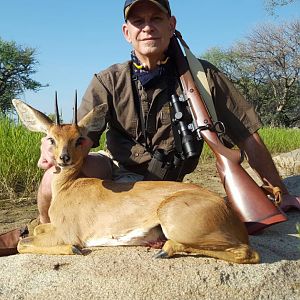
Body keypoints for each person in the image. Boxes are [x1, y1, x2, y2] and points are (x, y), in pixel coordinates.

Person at [1, 0, 299, 255]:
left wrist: (282, 191)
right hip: (118, 171)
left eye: (156, 18)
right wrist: (51, 146)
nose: (147, 27)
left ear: (171, 24)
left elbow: (249, 137)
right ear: (126, 32)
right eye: (138, 21)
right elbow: (77, 138)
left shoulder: (203, 77)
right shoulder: (109, 80)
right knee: (51, 179)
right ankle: (47, 228)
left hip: (166, 182)